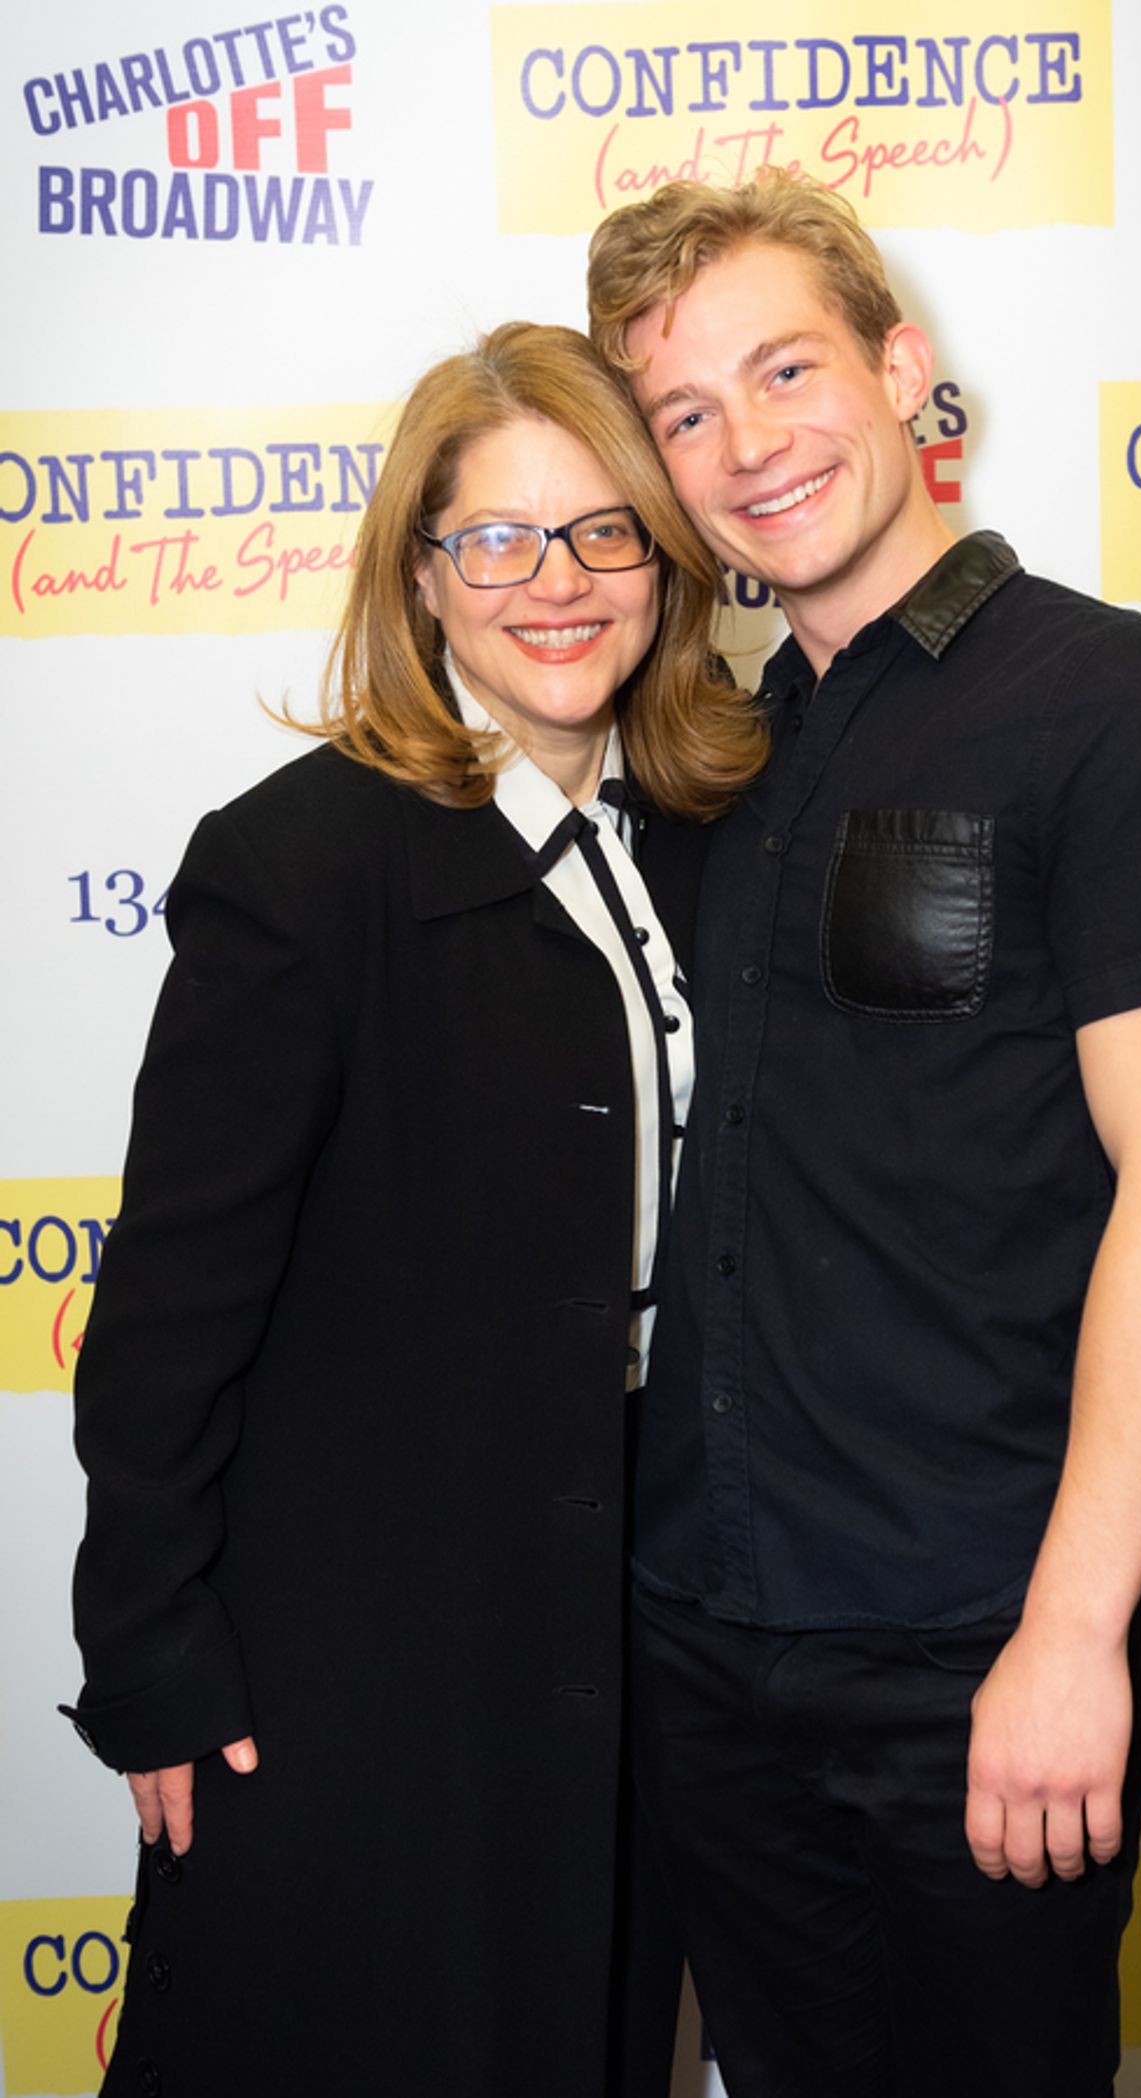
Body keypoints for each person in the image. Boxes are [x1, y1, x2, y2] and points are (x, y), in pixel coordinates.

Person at [587, 174, 1141, 2096]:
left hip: (981, 1654)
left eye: (786, 367)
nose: (751, 446)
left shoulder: (1114, 706)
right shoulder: (712, 761)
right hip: (708, 1641)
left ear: (905, 372)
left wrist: (1072, 1639)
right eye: (688, 415)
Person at [62, 322, 766, 2098]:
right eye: (500, 539)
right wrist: (150, 1654)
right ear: (423, 577)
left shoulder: (707, 839)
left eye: (606, 530)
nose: (558, 581)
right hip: (355, 1656)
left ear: (665, 560)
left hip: (631, 1620)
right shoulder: (305, 865)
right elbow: (166, 1320)